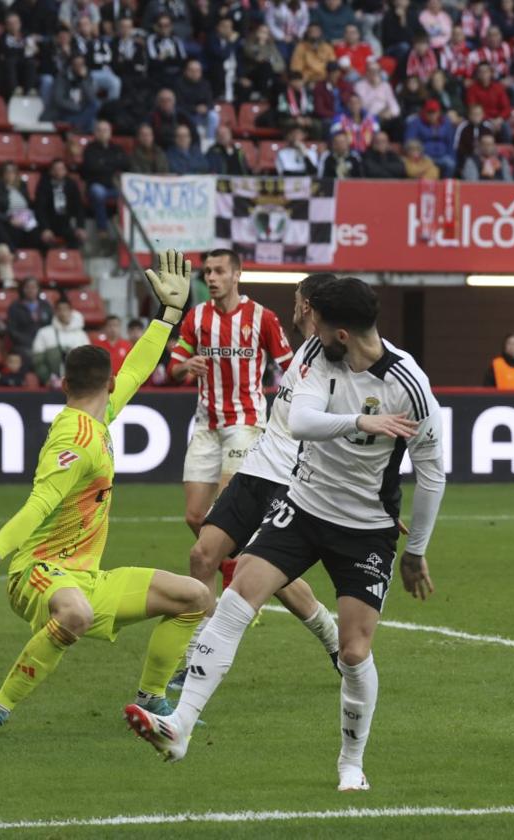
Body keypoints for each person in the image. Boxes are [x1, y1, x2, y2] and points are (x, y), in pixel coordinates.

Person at [126, 277, 446, 795]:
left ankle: (350, 764)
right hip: (302, 505)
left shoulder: (410, 385)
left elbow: (432, 471)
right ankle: (180, 725)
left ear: (342, 331)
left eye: (315, 318)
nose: (307, 324)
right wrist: (364, 424)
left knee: (355, 651)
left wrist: (417, 550)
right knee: (236, 599)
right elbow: (300, 420)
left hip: (365, 529)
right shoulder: (319, 355)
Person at [0, 251, 211, 738]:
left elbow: (134, 369)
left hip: (85, 575)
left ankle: (152, 696)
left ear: (64, 383)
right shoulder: (75, 438)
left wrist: (169, 317)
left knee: (195, 596)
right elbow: (39, 505)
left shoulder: (97, 415)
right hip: (37, 573)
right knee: (75, 614)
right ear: (105, 384)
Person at [168, 274, 343, 691]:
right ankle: (193, 656)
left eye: (299, 300)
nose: (294, 305)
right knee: (202, 555)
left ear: (310, 307)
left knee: (262, 572)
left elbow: (343, 429)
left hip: (289, 480)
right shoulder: (306, 348)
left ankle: (332, 638)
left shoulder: (336, 361)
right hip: (256, 467)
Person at [167, 249, 294, 537]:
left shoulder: (262, 317)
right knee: (195, 516)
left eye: (219, 271)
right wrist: (187, 363)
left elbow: (292, 367)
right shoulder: (196, 317)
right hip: (206, 424)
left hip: (245, 423)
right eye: (208, 271)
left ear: (237, 275)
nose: (211, 277)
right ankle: (256, 571)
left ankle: (237, 578)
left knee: (225, 517)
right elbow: (174, 368)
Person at [81, 120, 129, 236]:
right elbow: (92, 167)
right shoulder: (90, 149)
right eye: (99, 130)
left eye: (105, 130)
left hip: (114, 187)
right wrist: (112, 164)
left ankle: (125, 228)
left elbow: (126, 164)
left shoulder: (116, 148)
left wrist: (104, 163)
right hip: (96, 185)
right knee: (98, 192)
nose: (102, 133)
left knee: (129, 194)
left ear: (110, 132)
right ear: (95, 133)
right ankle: (102, 229)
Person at [32, 299, 92, 384]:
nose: (63, 313)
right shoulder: (44, 332)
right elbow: (38, 360)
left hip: (78, 385)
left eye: (66, 309)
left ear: (71, 311)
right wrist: (47, 379)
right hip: (51, 385)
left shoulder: (81, 335)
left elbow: (88, 360)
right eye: (59, 309)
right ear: (55, 312)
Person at [34, 159, 87, 246]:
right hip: (49, 223)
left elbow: (79, 207)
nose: (59, 172)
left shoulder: (71, 184)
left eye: (61, 169)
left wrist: (80, 227)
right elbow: (40, 208)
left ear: (65, 170)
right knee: (42, 240)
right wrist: (45, 228)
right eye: (56, 169)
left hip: (65, 223)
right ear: (51, 171)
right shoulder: (44, 185)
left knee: (77, 238)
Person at [8, 277, 54, 354]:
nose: (30, 290)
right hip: (24, 345)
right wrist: (28, 342)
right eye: (27, 287)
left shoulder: (46, 305)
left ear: (38, 289)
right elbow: (12, 330)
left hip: (45, 342)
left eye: (33, 287)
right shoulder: (15, 307)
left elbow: (52, 325)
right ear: (22, 289)